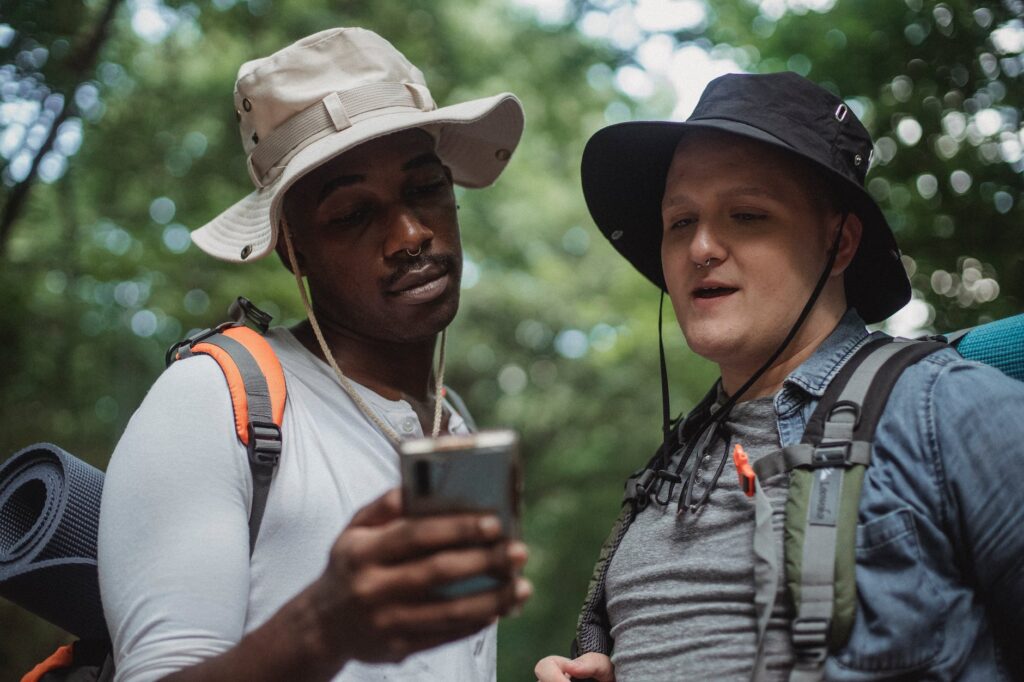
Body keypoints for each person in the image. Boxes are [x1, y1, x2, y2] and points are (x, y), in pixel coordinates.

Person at [535, 72, 1024, 681]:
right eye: (680, 222)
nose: (702, 248)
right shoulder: (665, 474)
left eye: (746, 215)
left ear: (838, 242)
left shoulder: (948, 410)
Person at [98, 27, 531, 681]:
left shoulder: (455, 426)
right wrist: (322, 625)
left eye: (424, 190)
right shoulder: (218, 399)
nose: (411, 234)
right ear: (292, 251)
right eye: (354, 213)